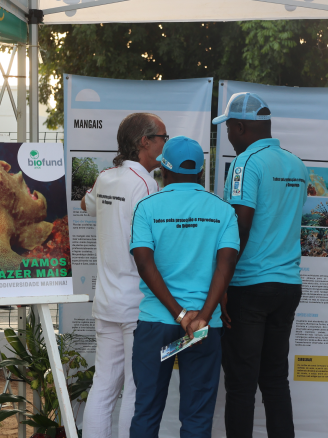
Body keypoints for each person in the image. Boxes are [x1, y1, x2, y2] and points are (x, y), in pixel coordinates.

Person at [129, 136, 239, 438]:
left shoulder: (147, 208)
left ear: (164, 170)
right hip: (203, 329)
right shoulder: (223, 210)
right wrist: (200, 317)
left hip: (157, 325)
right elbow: (226, 265)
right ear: (201, 173)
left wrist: (180, 315)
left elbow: (144, 263)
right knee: (197, 416)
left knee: (147, 410)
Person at [213, 92, 308, 438]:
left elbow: (240, 224)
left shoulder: (245, 164)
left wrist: (220, 285)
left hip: (249, 287)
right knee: (274, 381)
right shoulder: (295, 163)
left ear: (240, 127)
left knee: (241, 384)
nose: (227, 135)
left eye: (228, 128)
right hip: (287, 286)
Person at [80, 112, 168, 438]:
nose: (165, 144)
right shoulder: (146, 184)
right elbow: (156, 244)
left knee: (103, 385)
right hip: (137, 303)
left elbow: (84, 205)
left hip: (105, 301)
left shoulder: (106, 178)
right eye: (162, 138)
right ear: (144, 142)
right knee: (135, 387)